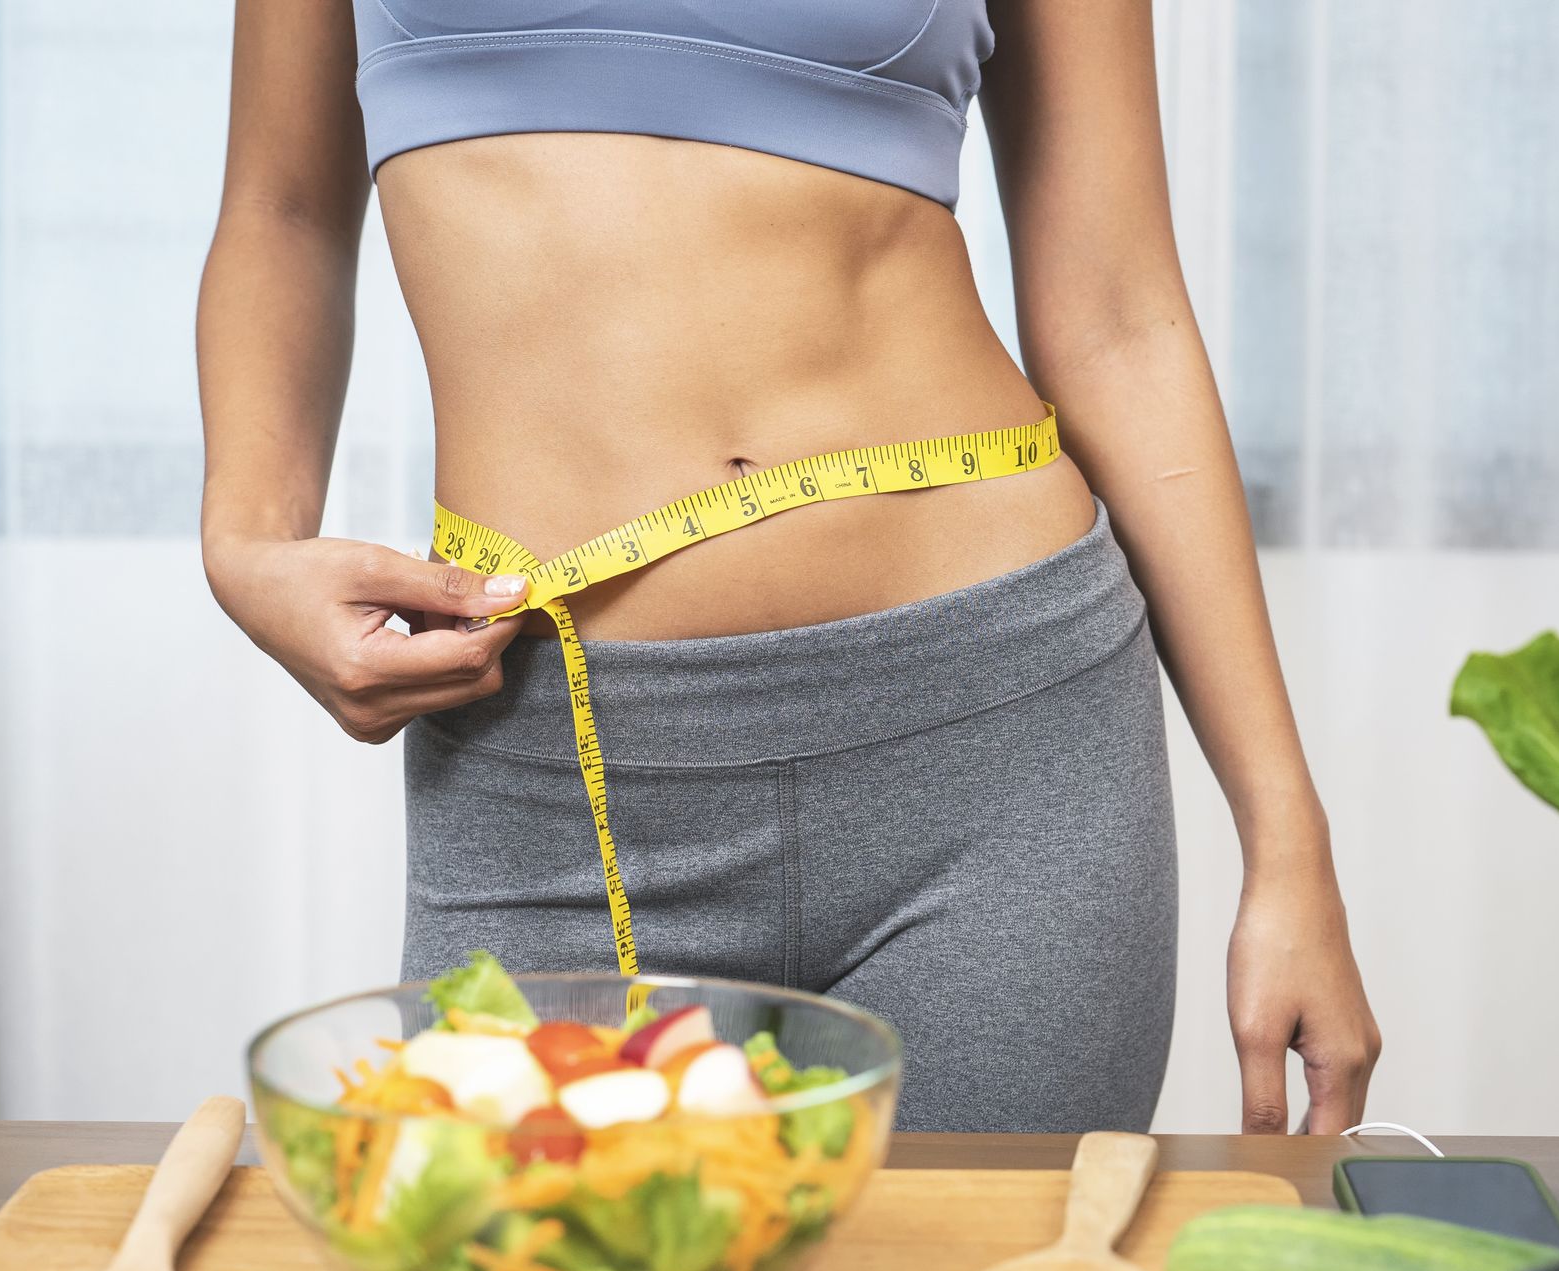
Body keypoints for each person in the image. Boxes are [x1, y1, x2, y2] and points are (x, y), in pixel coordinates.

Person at [196, 1, 1380, 1133]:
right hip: (548, 756)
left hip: (997, 738)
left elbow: (1118, 309)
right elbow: (282, 210)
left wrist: (1286, 843)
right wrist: (246, 542)